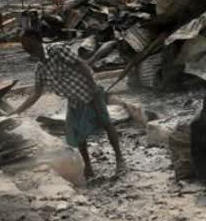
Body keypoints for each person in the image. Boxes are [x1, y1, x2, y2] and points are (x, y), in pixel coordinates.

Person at [13, 30, 125, 179]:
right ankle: (88, 168)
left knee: (106, 123)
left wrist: (93, 87)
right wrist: (16, 112)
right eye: (22, 44)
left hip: (90, 92)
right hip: (74, 100)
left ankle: (120, 160)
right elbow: (36, 94)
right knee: (77, 135)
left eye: (26, 42)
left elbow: (81, 64)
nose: (24, 46)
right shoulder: (40, 68)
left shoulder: (57, 49)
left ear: (36, 40)